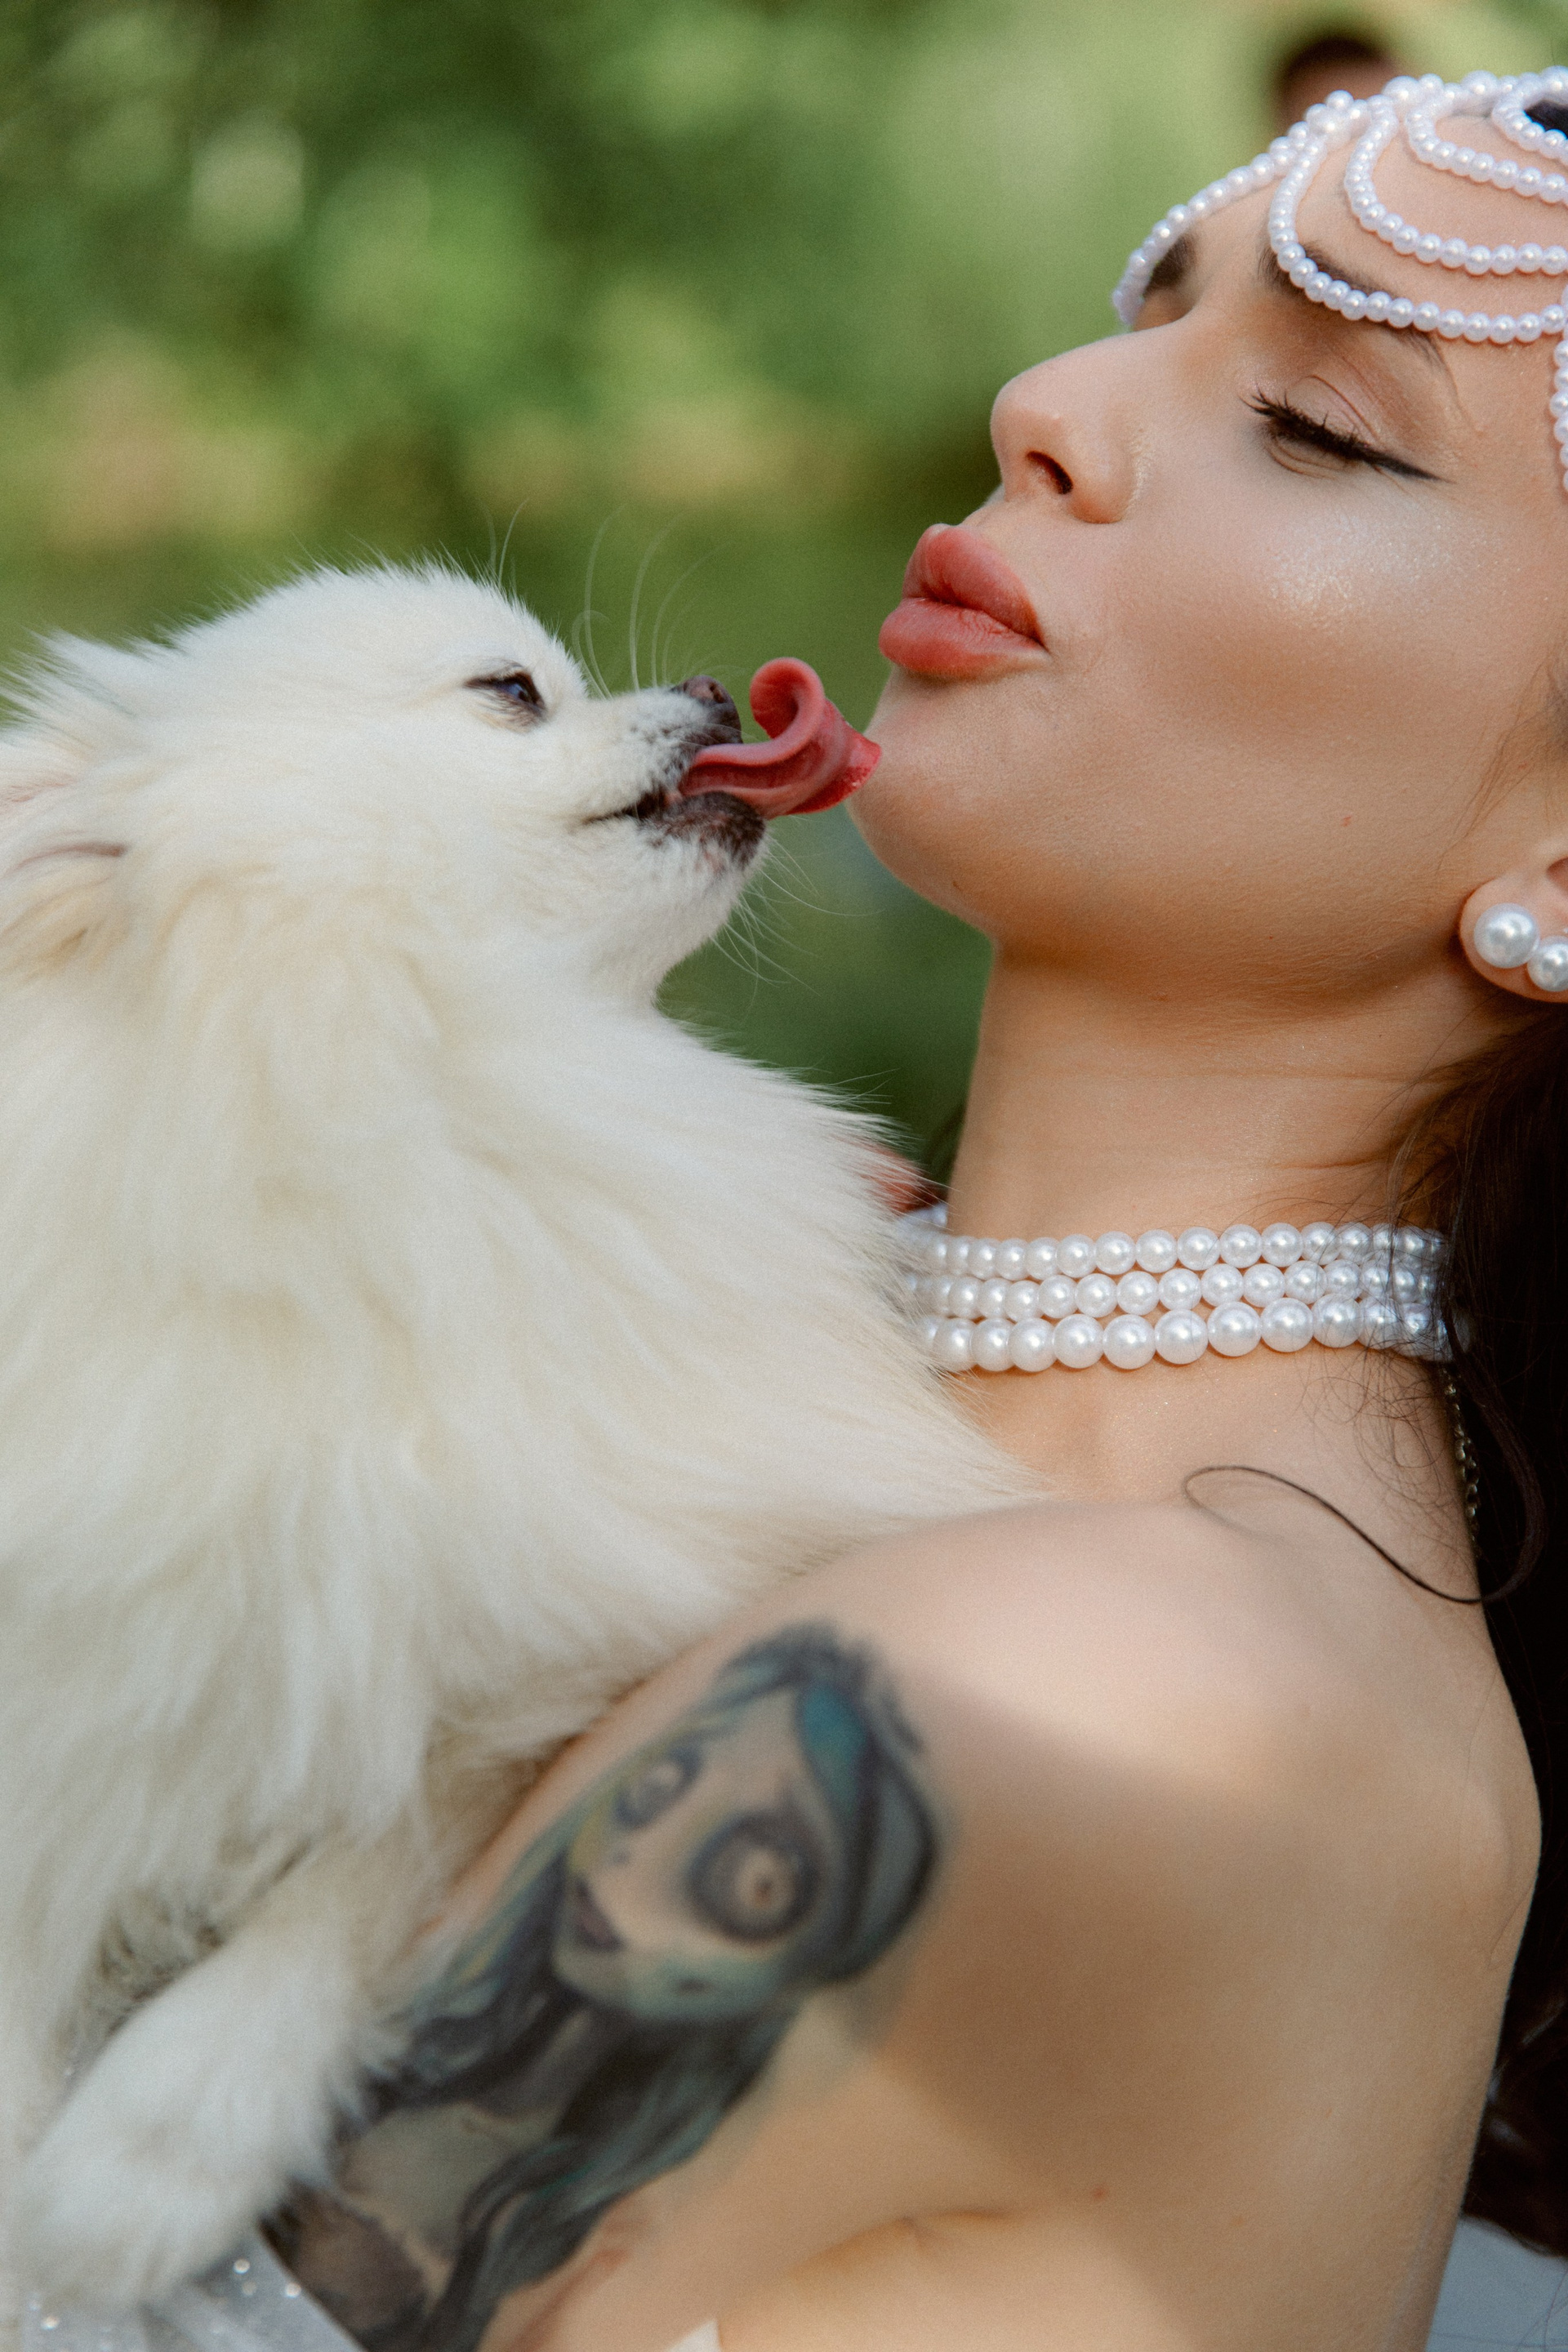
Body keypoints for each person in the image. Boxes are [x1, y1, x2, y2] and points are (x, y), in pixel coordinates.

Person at [202, 62, 1568, 2352]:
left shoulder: (1086, 1690)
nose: (1047, 406)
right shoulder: (896, 1477)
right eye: (1152, 313)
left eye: (1320, 427)